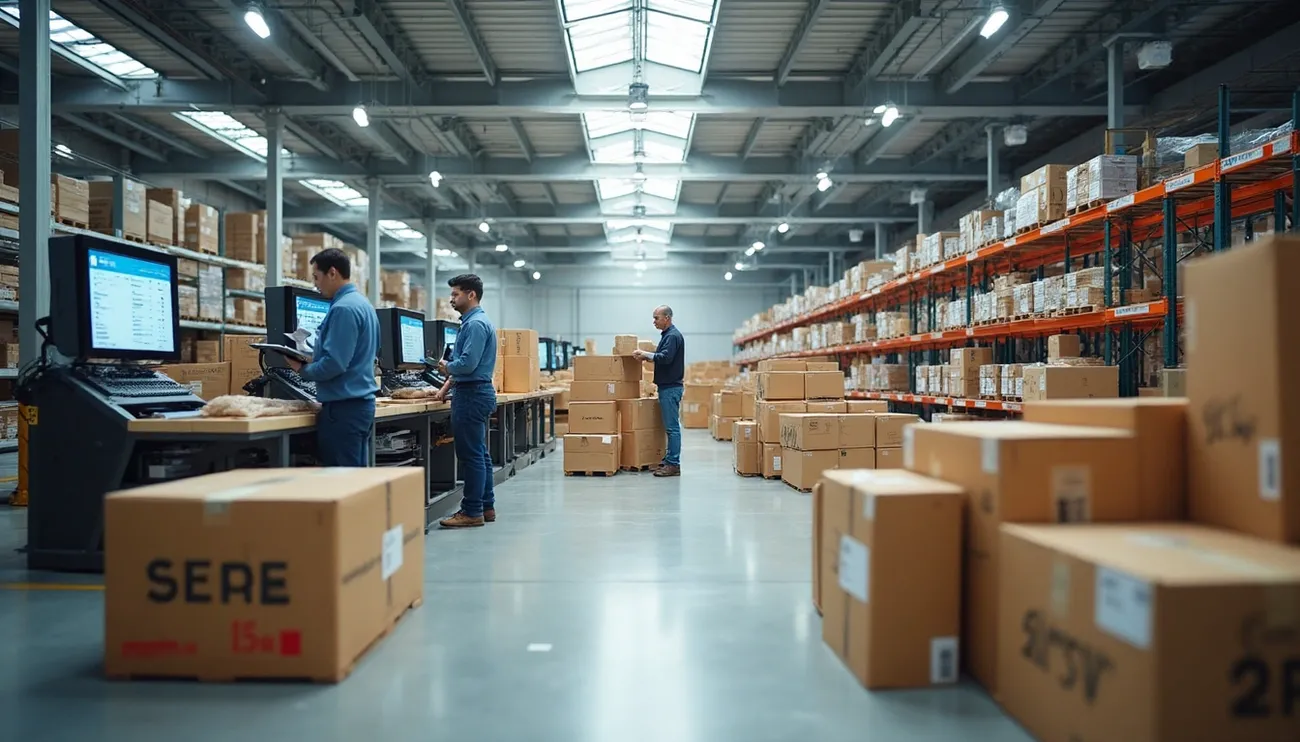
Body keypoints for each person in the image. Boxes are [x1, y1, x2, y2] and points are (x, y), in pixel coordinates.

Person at [285, 248, 380, 467]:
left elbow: (335, 363)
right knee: (357, 477)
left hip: (343, 409)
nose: (315, 284)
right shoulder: (364, 305)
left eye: (316, 277)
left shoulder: (343, 309)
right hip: (359, 406)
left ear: (332, 273)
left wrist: (302, 370)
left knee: (342, 478)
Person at [434, 274, 499, 528]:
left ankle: (471, 511)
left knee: (471, 456)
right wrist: (445, 387)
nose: (451, 299)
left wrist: (447, 367)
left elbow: (467, 364)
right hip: (475, 391)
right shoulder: (475, 322)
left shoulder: (474, 325)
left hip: (472, 395)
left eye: (455, 294)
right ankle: (486, 506)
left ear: (471, 294)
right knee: (479, 453)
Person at [633, 305, 684, 477]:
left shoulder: (672, 336)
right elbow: (664, 358)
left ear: (667, 318)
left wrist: (647, 354)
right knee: (670, 427)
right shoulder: (668, 335)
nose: (654, 321)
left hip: (670, 388)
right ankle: (669, 460)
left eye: (656, 318)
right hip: (667, 387)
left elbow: (666, 358)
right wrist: (649, 357)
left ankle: (673, 464)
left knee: (672, 428)